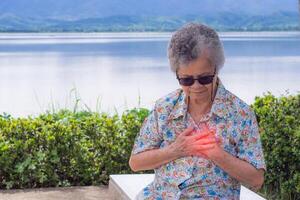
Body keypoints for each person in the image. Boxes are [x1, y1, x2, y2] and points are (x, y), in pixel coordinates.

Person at [129, 23, 266, 200]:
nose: (196, 87)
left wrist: (216, 154)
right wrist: (175, 150)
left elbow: (256, 179)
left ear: (217, 69)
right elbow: (136, 163)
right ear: (177, 74)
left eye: (205, 78)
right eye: (186, 80)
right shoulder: (164, 108)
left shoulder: (240, 114)